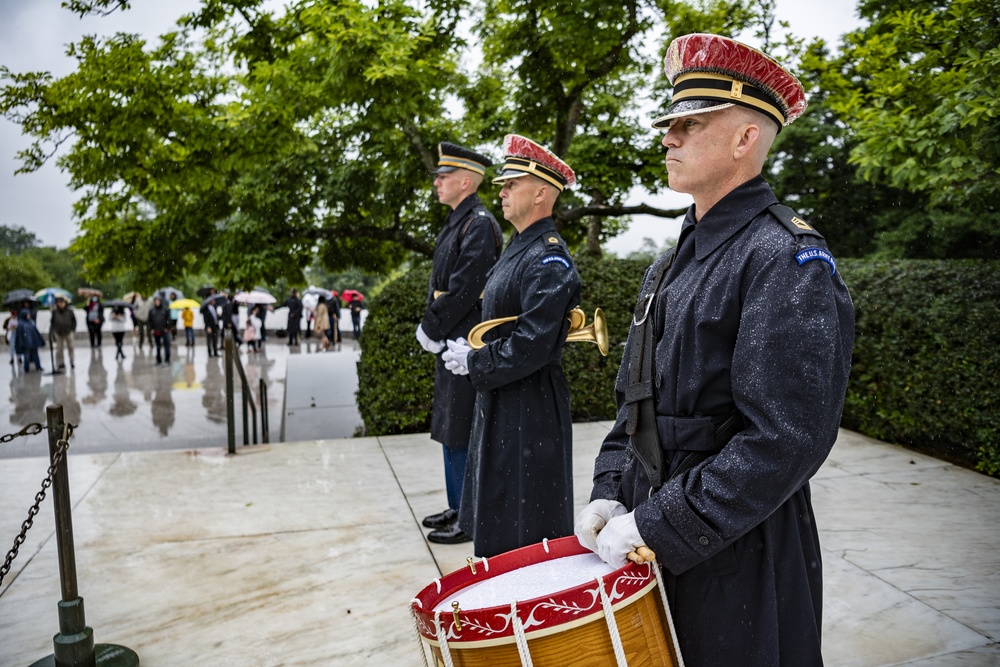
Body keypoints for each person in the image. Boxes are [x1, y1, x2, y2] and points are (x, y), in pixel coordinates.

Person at [573, 34, 855, 666]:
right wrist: (610, 491)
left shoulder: (784, 256)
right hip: (654, 533)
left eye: (689, 124)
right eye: (669, 124)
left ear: (744, 138)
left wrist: (661, 523)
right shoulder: (669, 264)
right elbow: (633, 407)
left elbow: (786, 438)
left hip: (742, 549)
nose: (668, 137)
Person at [442, 134, 581, 558]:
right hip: (506, 400)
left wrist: (476, 360)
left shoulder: (548, 257)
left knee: (524, 525)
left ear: (541, 193)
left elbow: (534, 342)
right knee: (500, 512)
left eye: (511, 184)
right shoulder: (519, 248)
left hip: (529, 410)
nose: (500, 192)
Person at [417, 141, 501, 545]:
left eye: (444, 177)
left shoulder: (479, 223)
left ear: (465, 181)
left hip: (463, 341)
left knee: (463, 430)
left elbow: (465, 287)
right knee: (451, 429)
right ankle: (457, 504)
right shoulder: (460, 221)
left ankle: (470, 516)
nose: (437, 182)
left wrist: (432, 326)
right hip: (452, 340)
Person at [50, 296, 77, 370]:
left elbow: (74, 321)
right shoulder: (55, 312)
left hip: (68, 331)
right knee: (59, 349)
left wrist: (73, 329)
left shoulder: (69, 311)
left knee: (71, 347)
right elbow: (52, 322)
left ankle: (72, 361)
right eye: (60, 302)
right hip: (58, 332)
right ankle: (61, 363)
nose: (61, 304)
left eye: (62, 302)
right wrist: (54, 331)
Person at [148, 296, 172, 365]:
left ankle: (167, 360)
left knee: (166, 345)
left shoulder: (165, 310)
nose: (157, 302)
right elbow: (149, 321)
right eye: (156, 301)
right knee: (158, 346)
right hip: (156, 331)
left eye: (158, 301)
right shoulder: (152, 311)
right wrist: (151, 329)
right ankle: (158, 360)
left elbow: (169, 320)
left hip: (164, 331)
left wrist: (167, 328)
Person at [200, 292, 221, 357]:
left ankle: (215, 352)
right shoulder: (206, 310)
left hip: (215, 325)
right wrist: (208, 327)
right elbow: (205, 319)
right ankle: (209, 352)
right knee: (209, 340)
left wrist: (219, 316)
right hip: (209, 326)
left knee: (215, 339)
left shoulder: (214, 307)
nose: (214, 301)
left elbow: (216, 317)